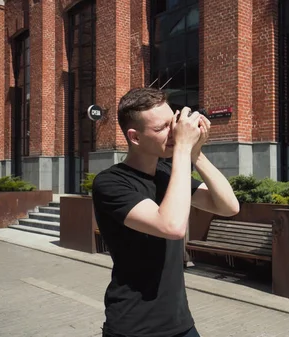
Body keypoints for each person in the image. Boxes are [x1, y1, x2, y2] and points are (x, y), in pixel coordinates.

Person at [91, 87, 240, 337]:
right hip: (134, 326)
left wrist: (196, 154)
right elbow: (171, 226)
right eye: (161, 129)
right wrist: (182, 149)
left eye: (173, 123)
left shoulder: (167, 174)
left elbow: (228, 206)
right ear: (134, 137)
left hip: (180, 323)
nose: (173, 132)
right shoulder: (111, 183)